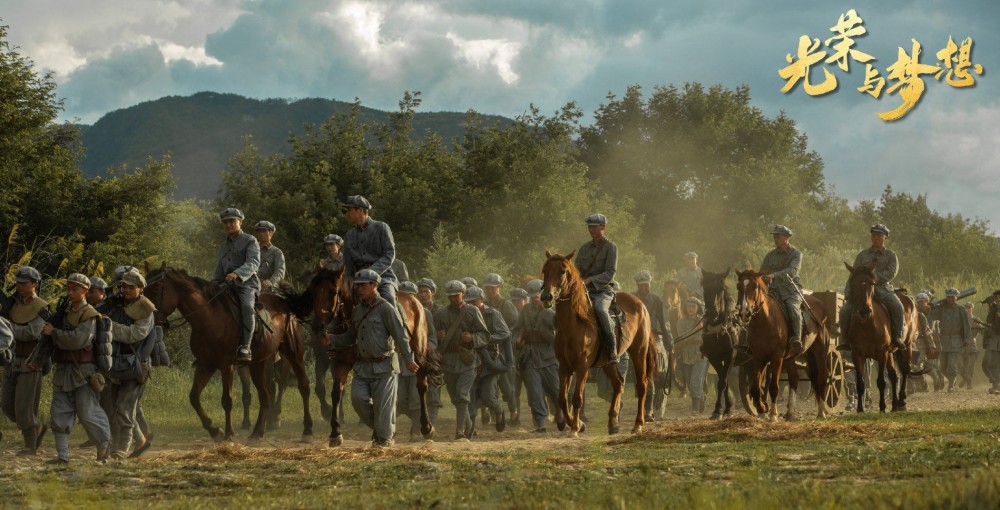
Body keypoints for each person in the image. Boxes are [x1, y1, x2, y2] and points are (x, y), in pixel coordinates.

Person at [333, 269, 418, 448]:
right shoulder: (357, 311)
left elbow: (400, 336)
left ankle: (384, 439)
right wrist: (331, 339)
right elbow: (350, 336)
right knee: (357, 399)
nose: (359, 289)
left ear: (375, 285)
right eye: (357, 286)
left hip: (384, 366)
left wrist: (409, 359)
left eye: (363, 285)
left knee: (383, 407)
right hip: (363, 367)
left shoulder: (386, 308)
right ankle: (383, 429)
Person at [37, 273, 112, 464]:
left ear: (86, 291)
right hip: (63, 369)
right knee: (59, 413)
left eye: (75, 289)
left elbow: (79, 340)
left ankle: (103, 448)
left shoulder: (89, 314)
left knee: (88, 413)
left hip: (83, 371)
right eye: (69, 288)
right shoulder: (64, 313)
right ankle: (62, 456)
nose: (70, 292)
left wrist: (54, 333)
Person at [102, 268, 156, 460]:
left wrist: (108, 325)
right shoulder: (115, 304)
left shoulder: (145, 309)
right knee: (117, 405)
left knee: (125, 406)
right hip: (115, 361)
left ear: (140, 289)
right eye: (123, 286)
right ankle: (140, 440)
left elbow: (135, 334)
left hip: (136, 364)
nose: (125, 290)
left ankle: (122, 448)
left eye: (130, 287)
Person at [0, 266, 49, 456]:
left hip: (31, 361)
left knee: (24, 407)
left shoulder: (41, 307)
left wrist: (5, 326)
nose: (19, 286)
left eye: (24, 282)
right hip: (12, 360)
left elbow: (32, 333)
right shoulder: (12, 304)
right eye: (18, 282)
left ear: (35, 284)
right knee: (7, 406)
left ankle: (30, 444)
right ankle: (37, 426)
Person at [433, 280, 489, 441]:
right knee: (455, 397)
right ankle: (469, 424)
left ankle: (460, 431)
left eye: (456, 295)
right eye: (450, 296)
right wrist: (438, 336)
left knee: (462, 394)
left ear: (463, 294)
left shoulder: (472, 311)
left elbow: (485, 335)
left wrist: (472, 337)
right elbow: (432, 336)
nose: (452, 298)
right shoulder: (441, 313)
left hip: (467, 360)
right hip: (448, 361)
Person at [839, 224, 904, 351]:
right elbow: (854, 275)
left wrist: (872, 278)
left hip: (882, 289)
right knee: (845, 310)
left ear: (885, 237)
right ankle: (845, 339)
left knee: (898, 307)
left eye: (879, 235)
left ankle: (897, 337)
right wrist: (848, 292)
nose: (876, 237)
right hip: (862, 290)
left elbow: (891, 273)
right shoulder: (862, 255)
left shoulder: (891, 255)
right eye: (874, 235)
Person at [214, 207, 261, 363]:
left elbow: (253, 262)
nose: (228, 225)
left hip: (246, 284)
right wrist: (213, 285)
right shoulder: (223, 246)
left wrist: (237, 274)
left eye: (232, 221)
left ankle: (246, 346)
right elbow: (219, 270)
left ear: (240, 222)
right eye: (225, 222)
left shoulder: (250, 240)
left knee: (247, 307)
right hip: (226, 285)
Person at [574, 213, 619, 364]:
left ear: (603, 227)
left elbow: (610, 273)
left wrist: (589, 281)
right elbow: (576, 269)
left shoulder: (611, 247)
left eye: (594, 226)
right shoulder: (584, 248)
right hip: (582, 290)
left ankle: (612, 348)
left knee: (600, 310)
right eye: (589, 227)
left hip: (602, 290)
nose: (591, 229)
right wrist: (577, 280)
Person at [517, 279, 561, 433]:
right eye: (532, 297)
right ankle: (541, 423)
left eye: (536, 297)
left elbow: (558, 326)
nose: (533, 300)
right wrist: (519, 338)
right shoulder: (525, 310)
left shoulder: (553, 309)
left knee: (555, 389)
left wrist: (545, 309)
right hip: (530, 354)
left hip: (549, 355)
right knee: (534, 391)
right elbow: (518, 327)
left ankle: (560, 412)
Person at [466, 286, 512, 433]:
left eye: (474, 302)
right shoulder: (465, 314)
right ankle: (471, 428)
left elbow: (504, 333)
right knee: (470, 395)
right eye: (469, 302)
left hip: (490, 360)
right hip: (470, 360)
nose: (471, 305)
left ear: (482, 300)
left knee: (488, 396)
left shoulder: (492, 314)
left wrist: (484, 340)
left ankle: (498, 411)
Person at [341, 195, 400, 308]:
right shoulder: (349, 235)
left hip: (383, 278)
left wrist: (370, 272)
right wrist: (345, 283)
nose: (347, 214)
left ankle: (399, 325)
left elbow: (389, 255)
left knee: (389, 299)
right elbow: (348, 265)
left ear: (360, 210)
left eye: (349, 210)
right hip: (357, 281)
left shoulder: (381, 227)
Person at [633, 270, 673, 421]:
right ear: (637, 285)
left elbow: (664, 322)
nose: (644, 287)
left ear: (650, 283)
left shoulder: (657, 300)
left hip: (654, 336)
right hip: (635, 337)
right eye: (641, 285)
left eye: (646, 284)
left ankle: (648, 410)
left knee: (654, 368)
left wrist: (668, 339)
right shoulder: (632, 298)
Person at [394, 281, 431, 441]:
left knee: (416, 400)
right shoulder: (392, 311)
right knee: (400, 400)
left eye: (409, 295)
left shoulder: (424, 312)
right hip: (399, 364)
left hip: (415, 361)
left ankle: (416, 429)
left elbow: (433, 339)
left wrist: (420, 352)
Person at [759, 225, 804, 354]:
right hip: (772, 291)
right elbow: (762, 272)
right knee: (755, 308)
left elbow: (793, 271)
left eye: (777, 236)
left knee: (793, 310)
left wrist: (774, 275)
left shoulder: (796, 254)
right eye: (774, 236)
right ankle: (748, 341)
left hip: (790, 291)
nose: (775, 238)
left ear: (786, 238)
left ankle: (797, 339)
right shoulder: (769, 256)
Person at [482, 273, 520, 426]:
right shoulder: (483, 305)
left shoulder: (507, 305)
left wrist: (501, 335)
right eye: (488, 288)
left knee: (507, 386)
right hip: (488, 351)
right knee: (489, 385)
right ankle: (494, 413)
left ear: (500, 288)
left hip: (504, 351)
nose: (490, 291)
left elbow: (515, 326)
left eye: (493, 288)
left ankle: (513, 411)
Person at [929, 287, 973, 392]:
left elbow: (966, 325)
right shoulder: (942, 309)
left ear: (956, 297)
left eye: (953, 297)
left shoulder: (961, 309)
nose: (950, 299)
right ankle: (953, 380)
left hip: (956, 341)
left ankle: (951, 386)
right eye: (948, 297)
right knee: (943, 367)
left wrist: (967, 340)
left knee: (952, 365)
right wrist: (929, 307)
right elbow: (931, 315)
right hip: (944, 341)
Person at [676, 297, 707, 414]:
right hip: (686, 356)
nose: (691, 309)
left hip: (700, 355)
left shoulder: (702, 321)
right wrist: (695, 333)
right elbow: (681, 338)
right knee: (689, 384)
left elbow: (704, 339)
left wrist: (690, 339)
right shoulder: (681, 322)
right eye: (689, 306)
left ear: (698, 308)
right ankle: (701, 397)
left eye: (693, 306)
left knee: (695, 381)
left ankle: (695, 408)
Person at [913, 293, 944, 392]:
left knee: (919, 364)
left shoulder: (921, 316)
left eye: (922, 302)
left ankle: (926, 383)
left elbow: (927, 331)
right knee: (918, 364)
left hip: (921, 342)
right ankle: (932, 379)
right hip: (912, 342)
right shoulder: (911, 314)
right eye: (918, 302)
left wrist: (931, 345)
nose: (920, 304)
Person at [254, 220, 286, 292]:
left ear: (271, 233)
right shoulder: (252, 249)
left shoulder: (277, 252)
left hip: (268, 287)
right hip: (252, 284)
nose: (261, 234)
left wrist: (271, 281)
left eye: (264, 231)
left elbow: (280, 271)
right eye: (259, 231)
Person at [981, 290, 1000, 394]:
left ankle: (996, 385)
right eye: (996, 297)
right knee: (986, 363)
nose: (997, 299)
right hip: (992, 339)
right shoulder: (994, 309)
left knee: (995, 363)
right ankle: (996, 383)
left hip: (997, 339)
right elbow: (990, 324)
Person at [961, 302, 982, 390]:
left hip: (972, 346)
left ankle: (969, 382)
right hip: (961, 346)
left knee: (970, 366)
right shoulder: (960, 320)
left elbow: (982, 331)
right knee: (960, 366)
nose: (967, 310)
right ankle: (965, 379)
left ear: (972, 309)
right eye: (966, 308)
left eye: (969, 308)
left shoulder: (976, 320)